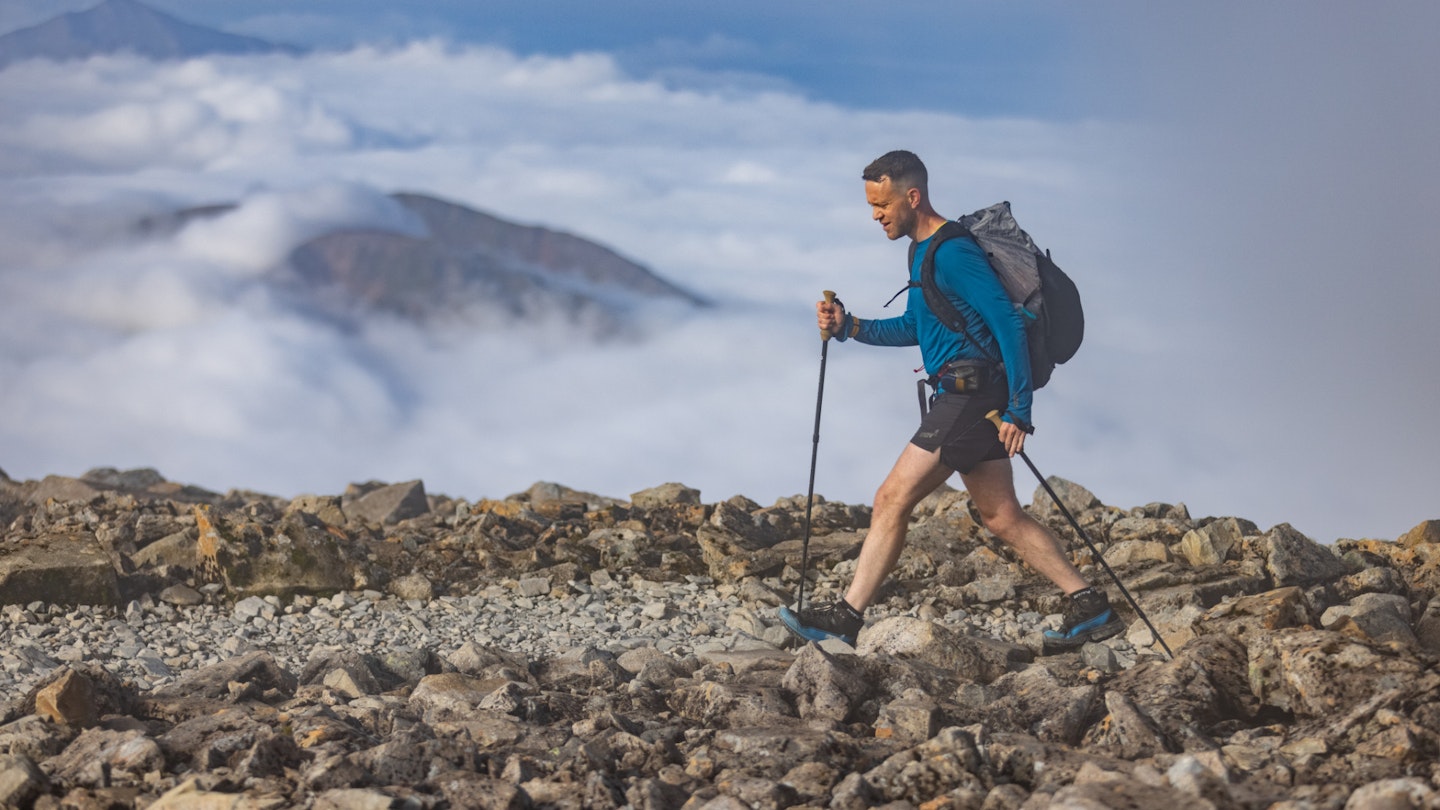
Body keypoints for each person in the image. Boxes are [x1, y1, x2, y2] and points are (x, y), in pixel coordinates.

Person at [778, 150, 1122, 655]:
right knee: (1002, 516)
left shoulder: (953, 253)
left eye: (882, 205)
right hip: (964, 394)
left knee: (891, 498)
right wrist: (850, 327)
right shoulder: (920, 253)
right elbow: (918, 327)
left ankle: (846, 618)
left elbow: (1006, 324)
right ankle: (1090, 606)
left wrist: (1019, 410)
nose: (875, 215)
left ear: (912, 197)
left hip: (971, 396)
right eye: (872, 206)